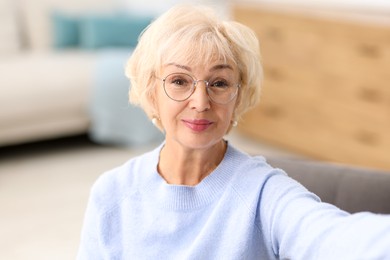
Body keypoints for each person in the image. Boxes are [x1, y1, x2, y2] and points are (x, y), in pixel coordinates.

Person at [77, 4, 390, 259]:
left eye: (220, 83)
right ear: (150, 92)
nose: (200, 103)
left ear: (238, 96)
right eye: (179, 81)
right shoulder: (112, 194)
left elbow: (333, 237)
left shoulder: (264, 192)